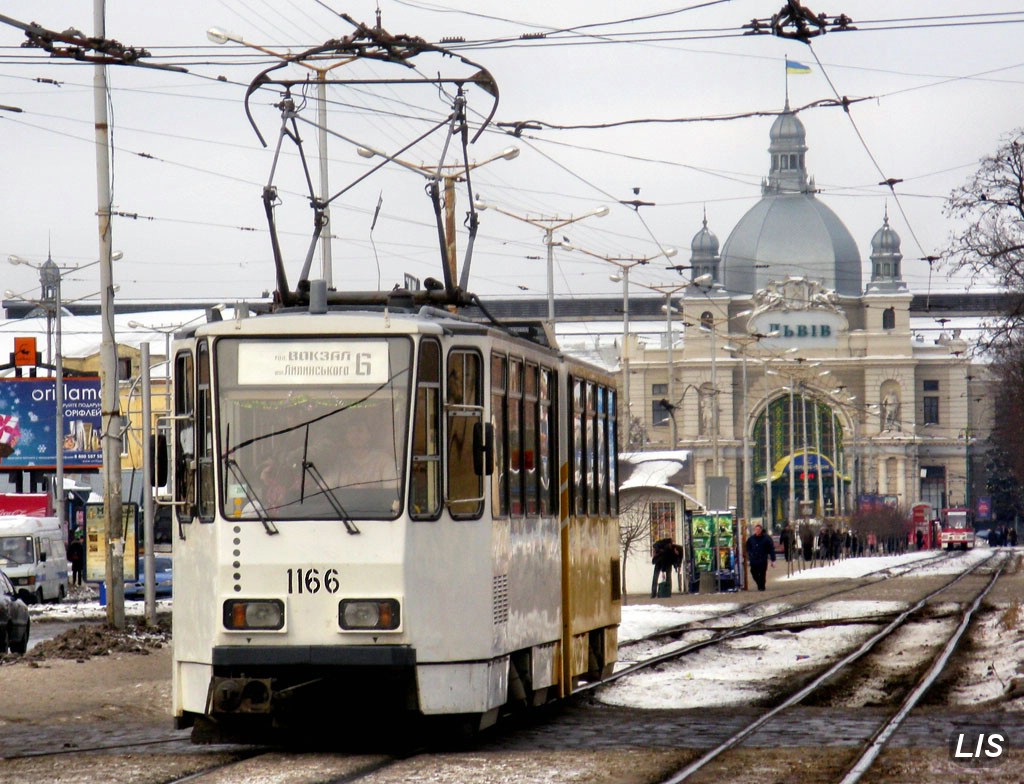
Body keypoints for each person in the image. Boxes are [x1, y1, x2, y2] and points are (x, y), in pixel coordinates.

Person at [745, 524, 776, 591]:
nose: (757, 531)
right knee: (753, 572)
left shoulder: (766, 538)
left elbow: (771, 549)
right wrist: (750, 554)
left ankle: (762, 586)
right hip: (754, 559)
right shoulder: (751, 539)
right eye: (756, 530)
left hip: (763, 559)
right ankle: (759, 584)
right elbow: (747, 547)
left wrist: (773, 559)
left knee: (762, 573)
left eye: (758, 530)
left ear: (761, 530)